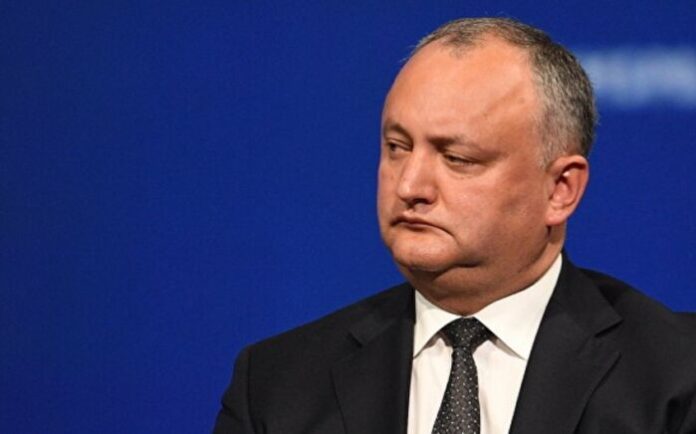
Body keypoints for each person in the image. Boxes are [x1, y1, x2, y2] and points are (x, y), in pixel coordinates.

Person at [213, 17, 696, 434]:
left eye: (457, 157)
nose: (410, 185)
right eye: (397, 148)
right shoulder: (276, 386)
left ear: (560, 190)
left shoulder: (676, 376)